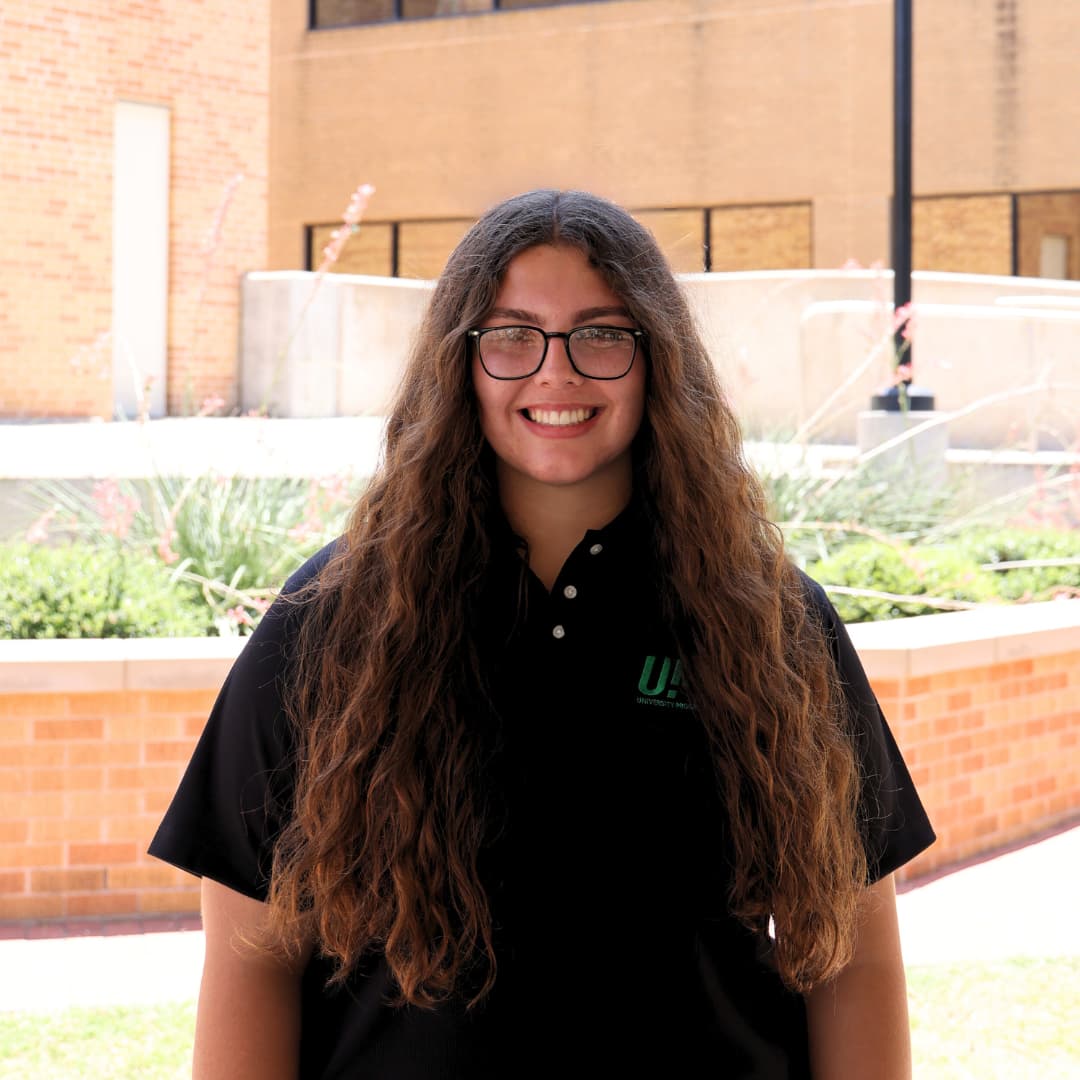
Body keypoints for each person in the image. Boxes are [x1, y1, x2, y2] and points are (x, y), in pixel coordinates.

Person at [150, 189, 935, 1079]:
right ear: (461, 363)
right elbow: (254, 955)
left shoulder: (771, 622)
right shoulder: (334, 619)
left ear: (656, 362)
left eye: (602, 334)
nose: (555, 374)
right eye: (512, 335)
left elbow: (854, 958)